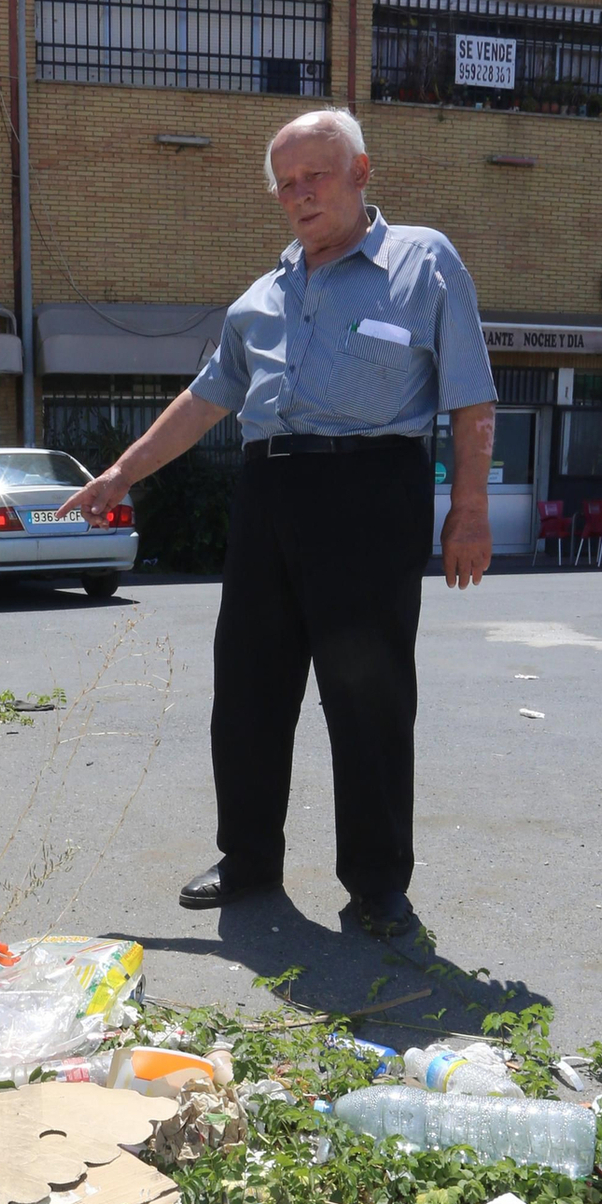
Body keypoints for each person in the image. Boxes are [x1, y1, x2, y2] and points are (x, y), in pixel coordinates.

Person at [67, 107, 496, 938]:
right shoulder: (260, 298)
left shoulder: (424, 263)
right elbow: (204, 400)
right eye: (286, 184)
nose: (300, 195)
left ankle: (377, 886)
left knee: (366, 699)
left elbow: (471, 395)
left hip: (371, 493)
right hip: (268, 496)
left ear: (362, 172)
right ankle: (249, 859)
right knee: (250, 690)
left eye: (317, 176)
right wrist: (121, 473)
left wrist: (469, 512)